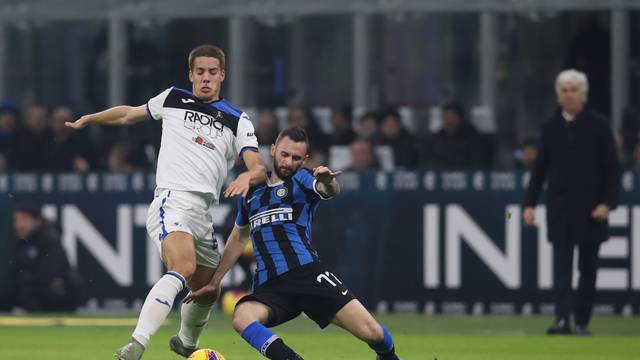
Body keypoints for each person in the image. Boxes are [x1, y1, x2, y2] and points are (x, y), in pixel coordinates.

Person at [65, 44, 267, 359]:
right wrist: (91, 118)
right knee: (183, 266)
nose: (205, 78)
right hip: (172, 200)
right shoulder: (173, 98)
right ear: (190, 75)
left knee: (207, 288)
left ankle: (186, 343)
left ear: (222, 76)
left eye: (212, 72)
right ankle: (136, 344)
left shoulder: (237, 120)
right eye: (199, 72)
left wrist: (246, 176)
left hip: (203, 213)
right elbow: (128, 114)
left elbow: (258, 167)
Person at [185, 127, 401, 360]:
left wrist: (327, 182)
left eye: (296, 158)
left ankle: (390, 357)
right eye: (285, 155)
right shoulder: (251, 193)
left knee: (373, 332)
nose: (289, 162)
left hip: (306, 275)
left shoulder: (302, 178)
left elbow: (327, 190)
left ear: (304, 160)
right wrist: (215, 281)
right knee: (242, 316)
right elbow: (238, 237)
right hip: (270, 284)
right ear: (274, 150)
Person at [523, 69, 620, 336]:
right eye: (564, 90)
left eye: (574, 90)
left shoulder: (599, 125)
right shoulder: (550, 127)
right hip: (561, 209)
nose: (569, 95)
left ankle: (582, 321)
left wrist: (608, 203)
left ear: (584, 94)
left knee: (588, 270)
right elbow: (540, 170)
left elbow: (612, 169)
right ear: (558, 95)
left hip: (591, 210)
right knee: (562, 269)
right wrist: (529, 205)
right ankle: (561, 319)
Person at [9, 202, 80, 312]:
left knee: (28, 292)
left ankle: (41, 324)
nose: (18, 225)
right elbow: (13, 271)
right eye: (16, 220)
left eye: (23, 220)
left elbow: (45, 276)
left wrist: (22, 277)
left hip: (63, 292)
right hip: (35, 286)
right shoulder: (20, 241)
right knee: (6, 292)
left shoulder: (50, 239)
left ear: (37, 221)